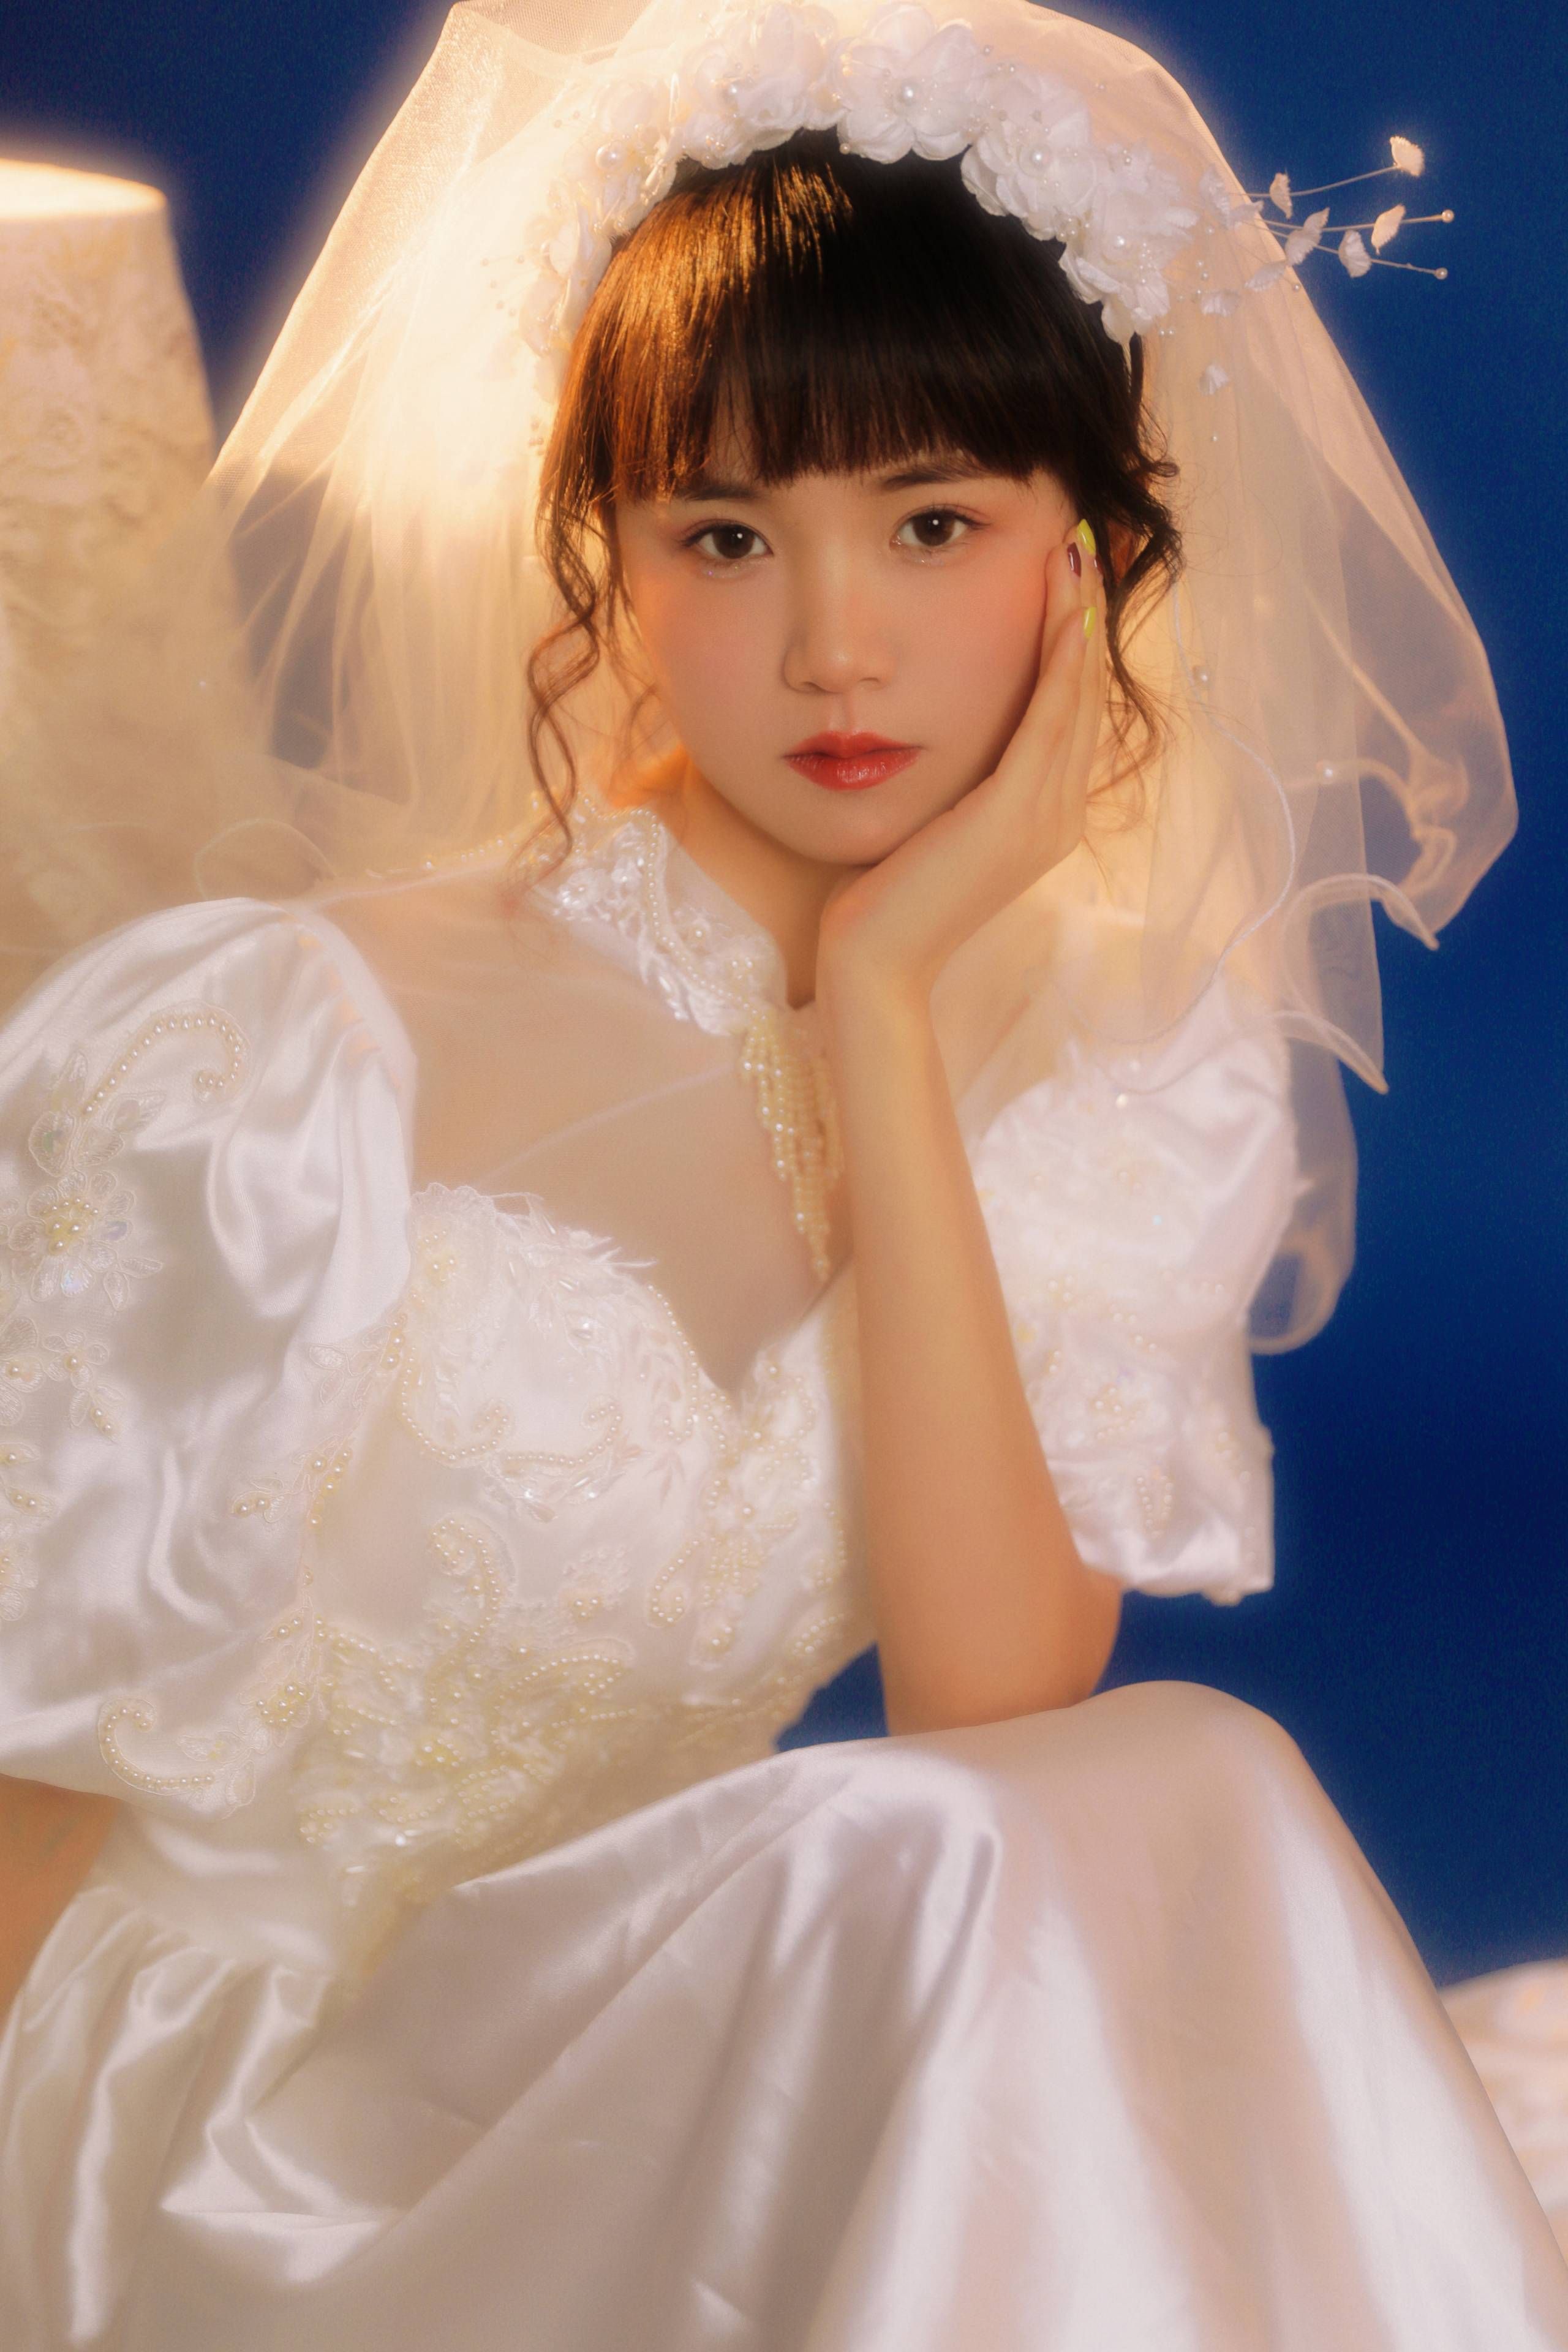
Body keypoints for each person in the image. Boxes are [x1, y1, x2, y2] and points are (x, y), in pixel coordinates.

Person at [1, 1, 1563, 2344]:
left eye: (935, 525)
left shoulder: (1111, 1078)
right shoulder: (287, 1045)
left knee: (1164, 1787)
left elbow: (994, 1712)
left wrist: (890, 1016)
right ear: (611, 567)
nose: (837, 646)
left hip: (620, 2064)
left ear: (1095, 556)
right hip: (229, 2124)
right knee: (960, 1892)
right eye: (726, 535)